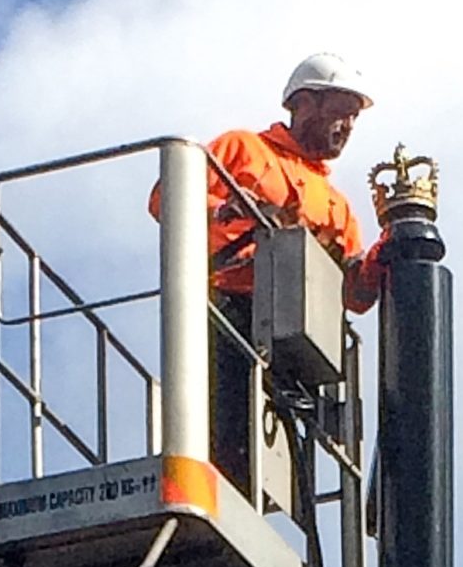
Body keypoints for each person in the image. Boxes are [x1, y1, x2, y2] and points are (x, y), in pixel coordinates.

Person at [151, 52, 388, 490]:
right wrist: (227, 210)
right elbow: (168, 197)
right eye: (340, 112)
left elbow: (355, 296)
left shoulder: (336, 205)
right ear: (303, 104)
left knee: (267, 455)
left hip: (293, 346)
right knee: (225, 431)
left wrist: (387, 249)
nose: (348, 126)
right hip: (229, 311)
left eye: (354, 117)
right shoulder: (243, 149)